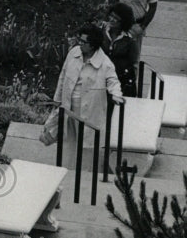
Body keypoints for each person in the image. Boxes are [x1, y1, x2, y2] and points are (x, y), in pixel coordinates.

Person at [39, 24, 124, 167]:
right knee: (68, 140)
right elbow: (63, 76)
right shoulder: (74, 53)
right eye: (80, 40)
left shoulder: (105, 63)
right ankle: (66, 168)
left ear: (92, 45)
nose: (80, 44)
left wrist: (116, 95)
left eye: (84, 42)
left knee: (85, 143)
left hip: (87, 109)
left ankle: (83, 172)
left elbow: (113, 81)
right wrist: (57, 100)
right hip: (68, 106)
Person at [102, 3, 139, 97]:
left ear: (123, 22)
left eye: (116, 19)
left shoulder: (129, 40)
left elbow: (134, 64)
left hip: (120, 81)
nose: (112, 19)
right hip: (101, 79)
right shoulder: (102, 32)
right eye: (111, 16)